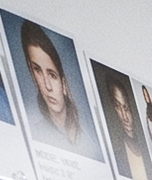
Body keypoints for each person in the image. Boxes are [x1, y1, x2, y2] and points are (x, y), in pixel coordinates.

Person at [18, 21, 100, 158]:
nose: (47, 86)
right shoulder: (34, 134)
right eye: (38, 70)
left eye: (52, 75)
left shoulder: (89, 145)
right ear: (32, 74)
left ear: (63, 82)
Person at [98, 66, 152, 180]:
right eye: (118, 107)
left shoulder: (151, 155)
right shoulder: (116, 158)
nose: (124, 117)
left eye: (126, 107)